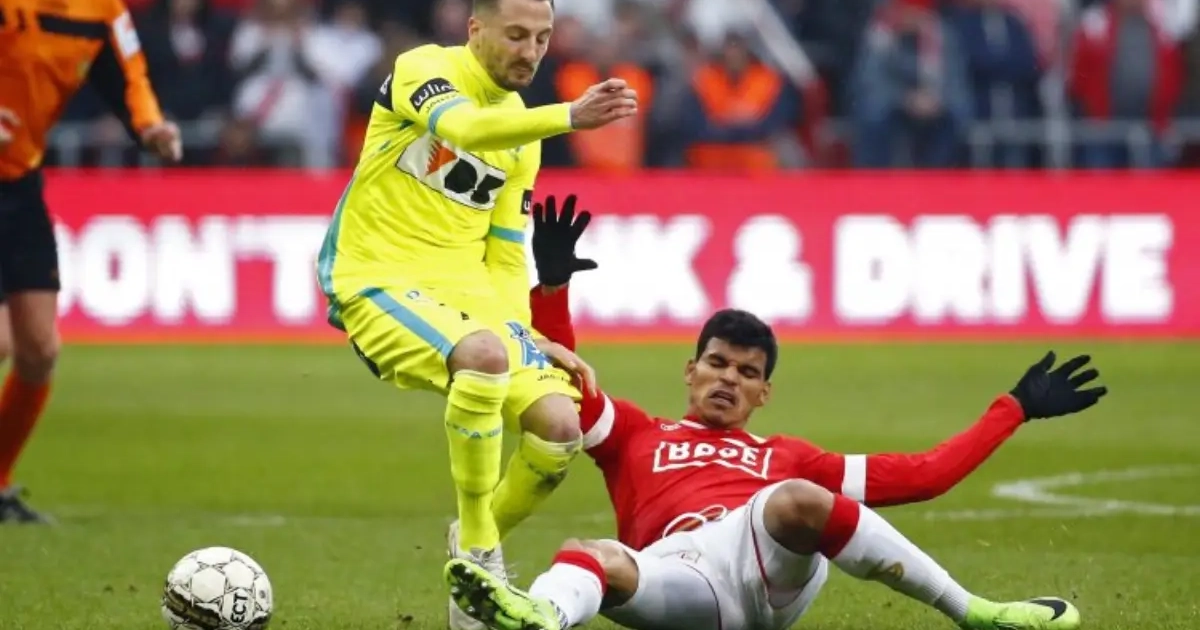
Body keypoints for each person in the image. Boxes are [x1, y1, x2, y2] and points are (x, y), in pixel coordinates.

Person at [443, 198, 1108, 630]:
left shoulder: (786, 457)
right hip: (679, 578)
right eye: (717, 363)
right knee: (587, 555)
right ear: (691, 370)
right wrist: (552, 287)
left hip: (768, 569)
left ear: (764, 393)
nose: (728, 379)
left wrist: (1013, 408)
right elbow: (561, 383)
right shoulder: (636, 434)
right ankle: (539, 617)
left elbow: (926, 475)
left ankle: (977, 614)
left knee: (793, 499)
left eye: (747, 372)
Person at [312, 0, 636, 626]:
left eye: (541, 38)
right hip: (378, 275)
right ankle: (483, 555)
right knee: (483, 357)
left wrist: (529, 332)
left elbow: (506, 250)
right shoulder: (424, 69)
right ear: (475, 29)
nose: (530, 51)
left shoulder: (523, 135)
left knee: (558, 428)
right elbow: (463, 129)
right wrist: (570, 116)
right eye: (515, 35)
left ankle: (470, 544)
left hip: (469, 291)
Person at [0, 0, 181, 523]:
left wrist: (150, 127)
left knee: (38, 350)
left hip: (18, 182)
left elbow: (130, 75)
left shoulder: (103, 12)